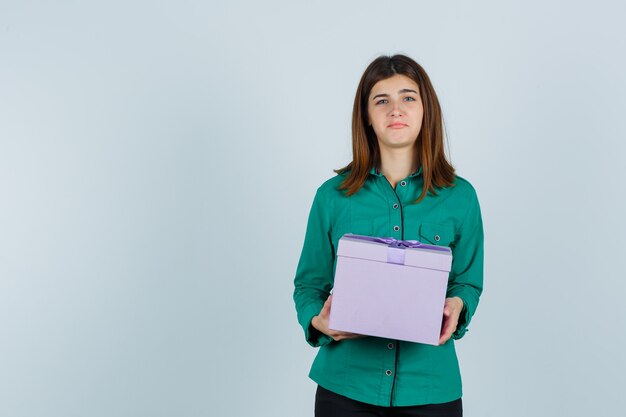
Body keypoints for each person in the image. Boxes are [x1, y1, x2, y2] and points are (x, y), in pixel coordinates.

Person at [293, 54, 484, 417]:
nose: (395, 109)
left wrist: (458, 305)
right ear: (367, 115)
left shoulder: (461, 197)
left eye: (408, 98)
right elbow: (308, 285)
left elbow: (468, 283)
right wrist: (318, 321)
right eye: (382, 100)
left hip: (430, 389)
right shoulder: (332, 197)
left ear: (426, 110)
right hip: (345, 389)